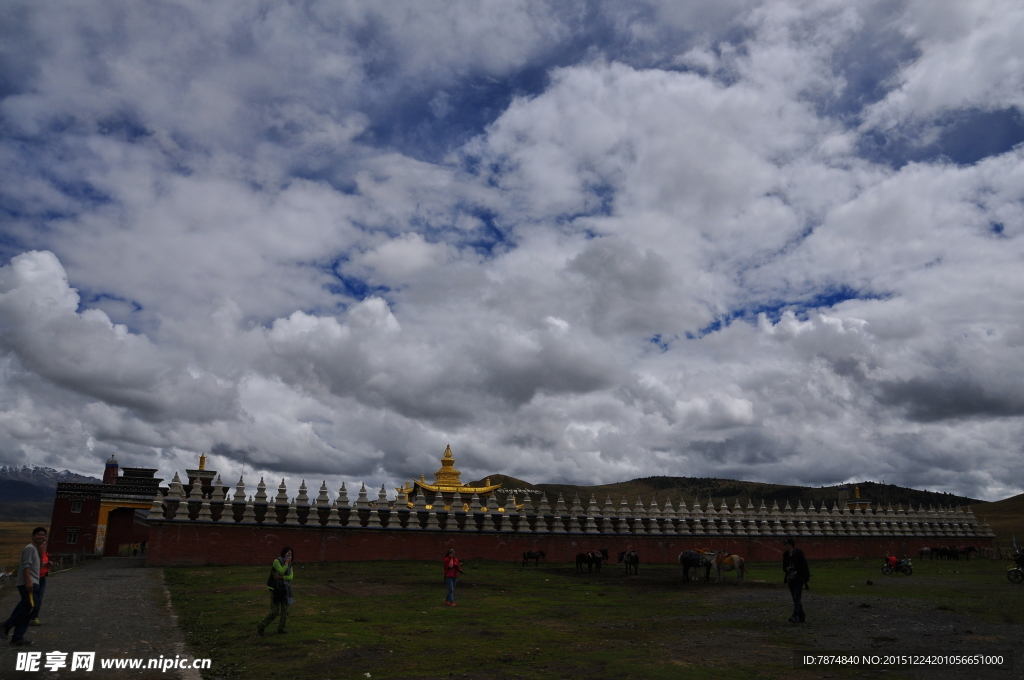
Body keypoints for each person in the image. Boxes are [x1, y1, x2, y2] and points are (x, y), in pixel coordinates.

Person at [1, 527, 47, 646]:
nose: (41, 537)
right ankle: (5, 626)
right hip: (28, 584)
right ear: (33, 536)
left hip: (34, 582)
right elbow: (25, 566)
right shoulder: (30, 549)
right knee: (30, 608)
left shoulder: (36, 550)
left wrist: (41, 554)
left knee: (28, 610)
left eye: (43, 535)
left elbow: (39, 568)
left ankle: (17, 637)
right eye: (38, 535)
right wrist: (28, 581)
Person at [257, 546, 294, 636]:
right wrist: (285, 564)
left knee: (285, 611)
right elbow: (281, 571)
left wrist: (281, 577)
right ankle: (261, 625)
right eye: (288, 553)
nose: (289, 556)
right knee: (275, 611)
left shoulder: (290, 564)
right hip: (276, 589)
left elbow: (290, 577)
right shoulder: (277, 561)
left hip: (285, 589)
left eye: (291, 554)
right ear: (283, 553)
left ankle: (281, 629)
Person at [783, 538, 810, 623]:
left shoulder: (798, 553)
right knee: (795, 598)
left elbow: (804, 566)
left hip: (799, 578)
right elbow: (784, 567)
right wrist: (787, 569)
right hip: (791, 578)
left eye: (786, 544)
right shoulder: (786, 555)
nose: (785, 546)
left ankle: (795, 616)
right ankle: (802, 617)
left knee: (796, 597)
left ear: (790, 545)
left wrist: (797, 571)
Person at [29, 539, 50, 626]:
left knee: (39, 599)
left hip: (42, 577)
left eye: (45, 544)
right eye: (42, 544)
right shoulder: (34, 553)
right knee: (35, 599)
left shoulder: (45, 554)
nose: (44, 546)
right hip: (34, 578)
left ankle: (34, 617)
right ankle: (31, 617)